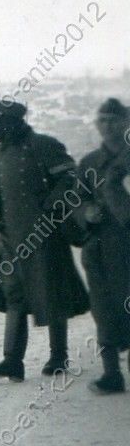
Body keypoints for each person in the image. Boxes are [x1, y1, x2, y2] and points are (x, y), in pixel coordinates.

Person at [0, 101, 90, 382]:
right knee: (15, 297)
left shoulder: (44, 145)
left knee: (52, 294)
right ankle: (12, 361)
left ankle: (58, 356)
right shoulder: (1, 155)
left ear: (8, 124)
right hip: (11, 241)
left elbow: (71, 179)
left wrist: (50, 208)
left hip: (46, 238)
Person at [74, 99, 130, 394]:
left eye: (114, 120)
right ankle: (112, 374)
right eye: (102, 120)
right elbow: (76, 201)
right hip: (97, 248)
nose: (107, 126)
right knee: (103, 310)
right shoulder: (89, 163)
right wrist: (86, 213)